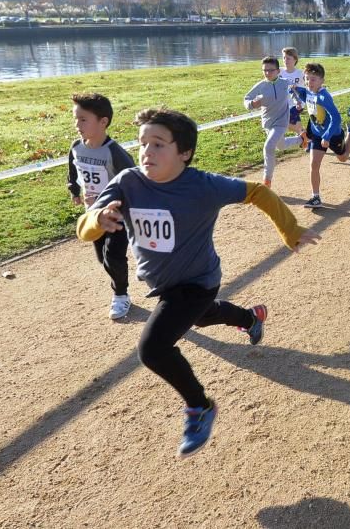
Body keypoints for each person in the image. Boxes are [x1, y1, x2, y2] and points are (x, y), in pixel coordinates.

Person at [76, 107, 320, 458]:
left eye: (159, 144)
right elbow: (84, 230)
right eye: (143, 143)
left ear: (185, 153)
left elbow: (258, 193)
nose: (147, 152)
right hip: (163, 284)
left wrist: (291, 230)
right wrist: (97, 219)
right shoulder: (127, 182)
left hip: (198, 281)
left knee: (154, 348)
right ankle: (251, 318)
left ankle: (200, 405)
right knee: (203, 317)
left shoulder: (203, 186)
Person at [67, 92, 136, 320]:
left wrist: (125, 208)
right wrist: (74, 189)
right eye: (75, 119)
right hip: (93, 214)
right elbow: (73, 169)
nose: (77, 125)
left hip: (116, 215)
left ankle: (121, 295)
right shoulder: (77, 147)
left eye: (83, 119)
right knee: (102, 258)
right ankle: (127, 273)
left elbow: (134, 180)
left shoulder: (114, 153)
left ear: (103, 122)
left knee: (112, 257)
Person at [291, 63, 350, 207]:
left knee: (343, 158)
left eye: (313, 79)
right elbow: (304, 94)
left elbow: (336, 118)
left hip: (332, 134)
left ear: (322, 81)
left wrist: (327, 136)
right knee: (314, 164)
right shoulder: (308, 91)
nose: (309, 82)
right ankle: (316, 197)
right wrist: (294, 90)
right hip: (316, 134)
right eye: (307, 79)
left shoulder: (323, 96)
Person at [243, 56, 305, 188]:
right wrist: (252, 104)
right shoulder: (260, 86)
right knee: (280, 146)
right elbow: (246, 99)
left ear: (278, 71)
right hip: (268, 123)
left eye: (270, 70)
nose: (267, 73)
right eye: (264, 70)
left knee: (269, 146)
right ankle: (301, 140)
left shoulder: (285, 83)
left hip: (282, 121)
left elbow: (294, 94)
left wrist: (298, 103)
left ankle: (267, 181)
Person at [279, 47, 304, 133]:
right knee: (297, 125)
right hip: (283, 104)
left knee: (284, 121)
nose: (285, 60)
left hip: (297, 104)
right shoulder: (279, 71)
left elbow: (309, 86)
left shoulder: (300, 74)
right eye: (284, 58)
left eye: (288, 58)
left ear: (295, 59)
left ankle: (303, 136)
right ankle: (305, 138)